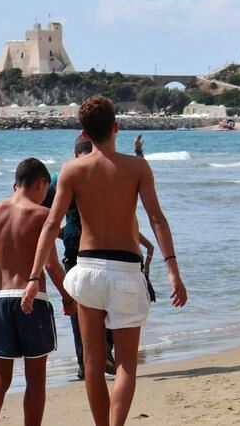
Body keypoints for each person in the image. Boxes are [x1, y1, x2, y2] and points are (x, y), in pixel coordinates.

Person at [22, 95, 187, 426]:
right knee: (126, 363)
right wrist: (173, 271)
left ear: (84, 133)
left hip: (88, 271)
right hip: (126, 269)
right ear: (117, 127)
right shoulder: (137, 167)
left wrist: (33, 278)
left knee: (93, 364)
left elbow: (52, 224)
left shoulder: (72, 169)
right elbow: (157, 220)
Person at [0, 158, 75, 425]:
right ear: (40, 183)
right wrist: (67, 296)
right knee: (35, 380)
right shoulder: (42, 216)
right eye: (45, 189)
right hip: (32, 300)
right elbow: (50, 265)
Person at [50, 135, 156, 380]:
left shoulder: (75, 173)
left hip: (84, 251)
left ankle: (94, 360)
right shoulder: (72, 174)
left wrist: (61, 234)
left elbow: (45, 213)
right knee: (94, 308)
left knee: (92, 307)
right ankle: (93, 361)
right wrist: (62, 234)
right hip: (90, 251)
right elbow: (44, 213)